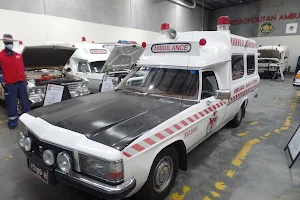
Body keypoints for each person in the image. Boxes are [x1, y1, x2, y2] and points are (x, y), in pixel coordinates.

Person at [0, 34, 31, 129]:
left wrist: (25, 80)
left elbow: (22, 69)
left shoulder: (18, 56)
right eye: (8, 42)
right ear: (5, 43)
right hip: (10, 84)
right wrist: (3, 82)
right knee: (11, 103)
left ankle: (28, 120)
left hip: (21, 82)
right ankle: (13, 122)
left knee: (25, 101)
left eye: (11, 42)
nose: (10, 44)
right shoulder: (1, 56)